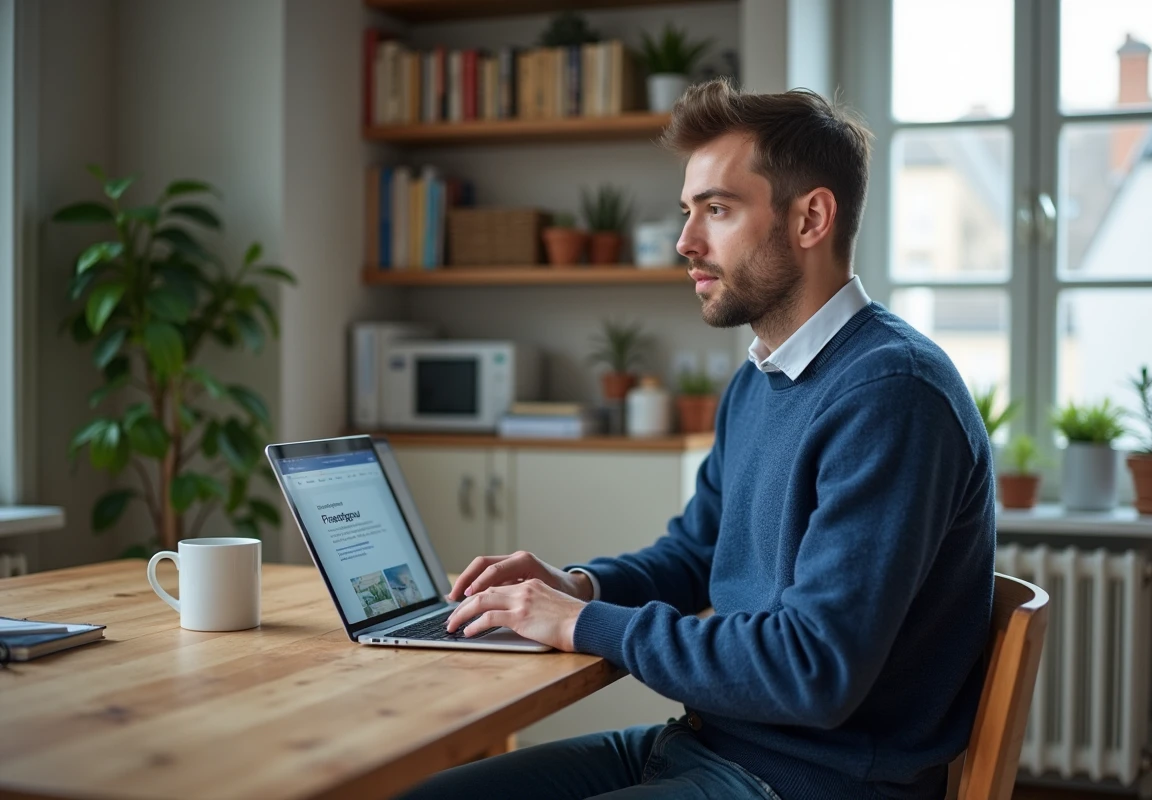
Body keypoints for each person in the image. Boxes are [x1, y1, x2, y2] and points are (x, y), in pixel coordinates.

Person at [399, 78, 995, 800]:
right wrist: (576, 585)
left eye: (717, 209)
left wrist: (585, 622)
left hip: (808, 783)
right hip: (705, 746)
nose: (686, 242)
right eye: (689, 211)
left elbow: (814, 670)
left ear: (811, 219)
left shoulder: (892, 394)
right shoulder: (761, 379)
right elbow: (695, 552)